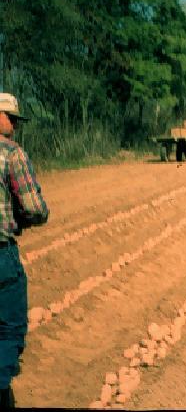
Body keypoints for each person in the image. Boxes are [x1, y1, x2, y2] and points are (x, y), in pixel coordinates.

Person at [0, 93, 48, 409]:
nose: (15, 125)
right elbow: (35, 209)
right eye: (11, 118)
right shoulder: (10, 153)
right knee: (10, 329)